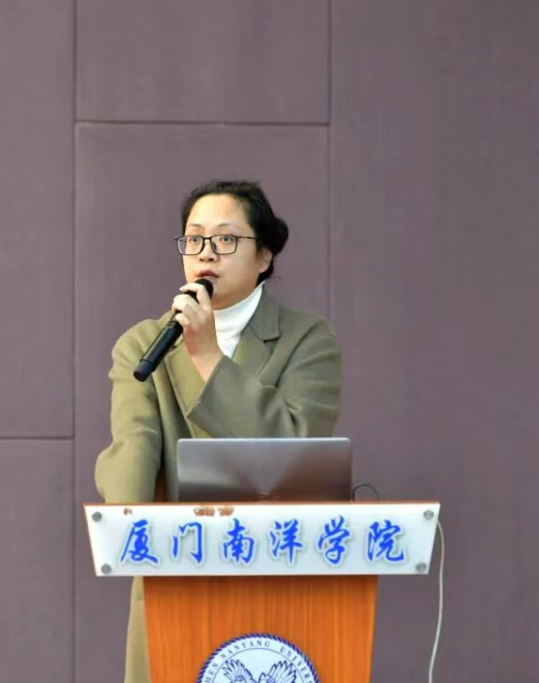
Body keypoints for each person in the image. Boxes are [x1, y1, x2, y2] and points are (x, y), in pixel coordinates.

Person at [94, 179, 342, 683]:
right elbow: (133, 461)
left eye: (226, 239)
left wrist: (208, 356)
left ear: (265, 256)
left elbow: (294, 450)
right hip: (176, 580)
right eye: (194, 238)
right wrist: (124, 492)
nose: (206, 253)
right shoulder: (144, 344)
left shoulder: (307, 340)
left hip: (274, 578)